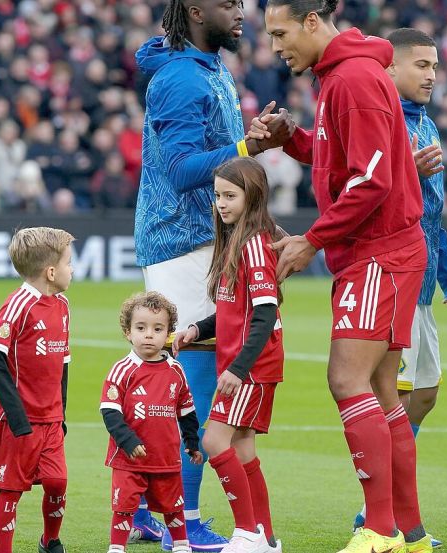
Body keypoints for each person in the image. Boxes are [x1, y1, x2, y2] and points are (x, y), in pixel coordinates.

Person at [257, 2, 432, 551]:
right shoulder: (343, 74)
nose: (275, 45)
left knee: (347, 381)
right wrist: (293, 138)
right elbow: (344, 158)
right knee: (381, 387)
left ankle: (379, 530)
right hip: (385, 249)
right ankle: (411, 532)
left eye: (280, 32)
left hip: (378, 251)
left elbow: (371, 180)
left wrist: (312, 239)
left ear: (313, 21)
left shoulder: (352, 78)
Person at [134, 0, 292, 549]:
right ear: (196, 10)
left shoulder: (207, 67)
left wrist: (247, 137)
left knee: (199, 387)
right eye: (229, 4)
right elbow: (181, 172)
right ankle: (183, 517)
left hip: (205, 237)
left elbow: (210, 155)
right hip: (182, 240)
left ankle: (158, 511)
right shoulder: (180, 78)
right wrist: (249, 145)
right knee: (196, 389)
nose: (242, 12)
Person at [347, 27, 447, 547]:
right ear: (389, 68)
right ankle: (383, 512)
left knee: (425, 395)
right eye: (421, 65)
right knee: (391, 397)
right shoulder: (383, 119)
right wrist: (406, 174)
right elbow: (365, 192)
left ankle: (387, 501)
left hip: (420, 280)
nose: (432, 75)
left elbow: (431, 213)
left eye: (436, 66)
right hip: (389, 275)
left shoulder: (425, 125)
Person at [172, 157, 285, 553]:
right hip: (250, 364)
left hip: (251, 366)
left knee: (214, 441)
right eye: (218, 195)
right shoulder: (238, 238)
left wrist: (239, 368)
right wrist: (196, 330)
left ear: (252, 196)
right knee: (243, 449)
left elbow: (266, 313)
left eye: (230, 195)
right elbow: (232, 310)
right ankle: (266, 537)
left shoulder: (254, 244)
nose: (221, 203)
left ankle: (246, 533)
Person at [0, 226, 73, 553]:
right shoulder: (19, 303)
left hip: (50, 418)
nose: (72, 270)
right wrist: (16, 415)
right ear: (51, 271)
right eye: (68, 263)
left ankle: (50, 541)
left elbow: (63, 361)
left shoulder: (62, 305)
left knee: (57, 481)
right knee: (11, 489)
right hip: (17, 420)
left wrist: (61, 410)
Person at [100, 291, 203, 553]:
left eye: (158, 329)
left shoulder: (176, 370)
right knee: (123, 506)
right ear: (128, 332)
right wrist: (129, 442)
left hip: (166, 456)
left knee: (174, 505)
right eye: (141, 328)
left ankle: (181, 546)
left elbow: (187, 410)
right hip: (129, 459)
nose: (149, 334)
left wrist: (192, 442)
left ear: (168, 333)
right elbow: (110, 412)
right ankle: (116, 548)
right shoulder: (122, 370)